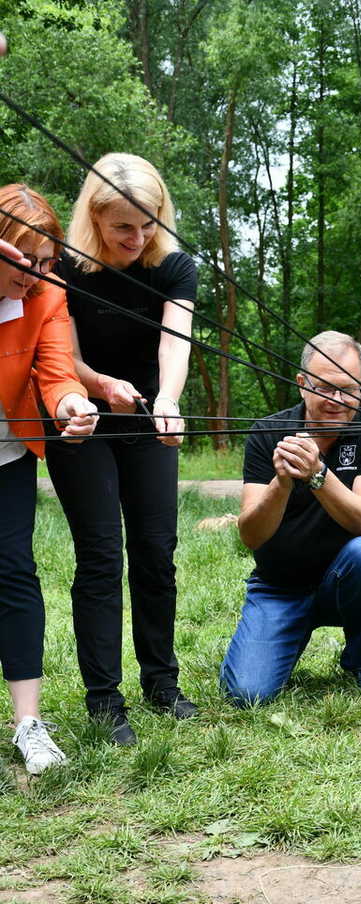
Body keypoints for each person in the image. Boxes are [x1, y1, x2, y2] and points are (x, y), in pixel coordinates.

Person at [45, 154, 198, 745]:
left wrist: (168, 400)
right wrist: (99, 386)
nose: (138, 238)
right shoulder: (64, 267)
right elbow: (65, 353)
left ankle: (162, 682)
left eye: (149, 222)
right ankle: (105, 698)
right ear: (95, 219)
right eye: (123, 228)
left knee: (157, 551)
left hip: (148, 417)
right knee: (102, 554)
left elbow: (175, 339)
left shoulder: (174, 267)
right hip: (80, 417)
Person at [220, 331, 361, 705]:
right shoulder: (267, 433)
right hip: (279, 586)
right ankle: (289, 629)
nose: (336, 401)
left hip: (344, 580)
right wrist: (281, 483)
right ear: (301, 385)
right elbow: (250, 535)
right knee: (246, 694)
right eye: (324, 388)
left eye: (347, 390)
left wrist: (318, 475)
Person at [0, 184, 97, 773]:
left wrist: (69, 406)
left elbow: (57, 372)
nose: (37, 274)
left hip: (7, 452)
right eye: (25, 259)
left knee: (13, 571)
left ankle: (28, 726)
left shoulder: (46, 295)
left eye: (47, 260)